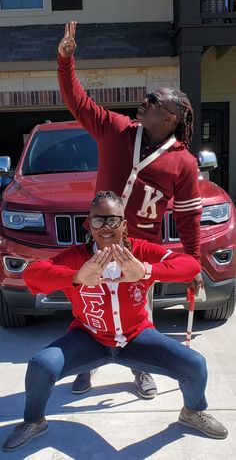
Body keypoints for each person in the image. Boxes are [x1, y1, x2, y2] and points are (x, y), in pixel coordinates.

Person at [2, 191, 228, 451]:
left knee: (195, 364)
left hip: (136, 337)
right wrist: (76, 276)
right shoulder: (77, 257)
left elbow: (189, 265)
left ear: (124, 224)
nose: (106, 227)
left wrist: (145, 270)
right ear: (89, 223)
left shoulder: (139, 252)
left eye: (113, 220)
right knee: (41, 365)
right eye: (98, 220)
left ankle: (192, 412)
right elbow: (32, 276)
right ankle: (34, 421)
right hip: (90, 338)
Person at [57, 21, 204, 399]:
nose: (146, 101)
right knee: (89, 306)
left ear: (170, 118)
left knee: (139, 315)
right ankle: (85, 365)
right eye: (148, 97)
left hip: (139, 251)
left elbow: (188, 218)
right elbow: (78, 102)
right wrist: (65, 60)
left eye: (155, 101)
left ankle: (140, 369)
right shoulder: (116, 129)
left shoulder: (183, 163)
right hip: (98, 240)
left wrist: (193, 264)